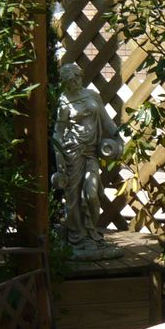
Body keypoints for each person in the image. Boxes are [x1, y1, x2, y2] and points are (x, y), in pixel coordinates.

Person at [53, 61, 124, 252]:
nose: (73, 82)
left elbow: (106, 120)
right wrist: (58, 153)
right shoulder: (64, 101)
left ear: (80, 76)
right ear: (64, 82)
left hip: (90, 152)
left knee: (93, 194)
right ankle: (78, 237)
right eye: (68, 80)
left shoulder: (92, 95)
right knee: (73, 197)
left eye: (75, 77)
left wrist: (118, 138)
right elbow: (58, 131)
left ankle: (91, 233)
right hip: (72, 153)